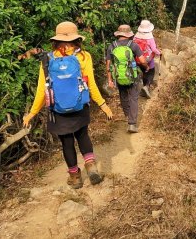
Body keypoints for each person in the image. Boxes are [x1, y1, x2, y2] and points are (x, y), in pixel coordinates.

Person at [23, 22, 113, 189]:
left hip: (58, 109)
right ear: (76, 38)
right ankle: (91, 166)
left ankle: (75, 178)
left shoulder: (47, 59)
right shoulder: (84, 57)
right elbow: (91, 85)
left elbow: (42, 91)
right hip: (80, 106)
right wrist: (103, 105)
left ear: (56, 40)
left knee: (67, 142)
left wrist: (32, 113)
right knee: (83, 135)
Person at [106, 25, 149, 133]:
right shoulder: (133, 45)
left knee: (123, 96)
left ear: (119, 34)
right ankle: (132, 124)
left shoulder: (112, 46)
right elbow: (142, 60)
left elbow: (108, 65)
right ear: (129, 34)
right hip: (132, 76)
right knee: (133, 98)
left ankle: (127, 115)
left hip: (119, 77)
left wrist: (110, 80)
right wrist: (146, 67)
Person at [133, 19, 162, 99]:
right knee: (151, 72)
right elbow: (154, 49)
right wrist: (159, 53)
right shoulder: (150, 37)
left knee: (144, 72)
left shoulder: (136, 36)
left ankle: (144, 90)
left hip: (138, 58)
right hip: (147, 59)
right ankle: (146, 87)